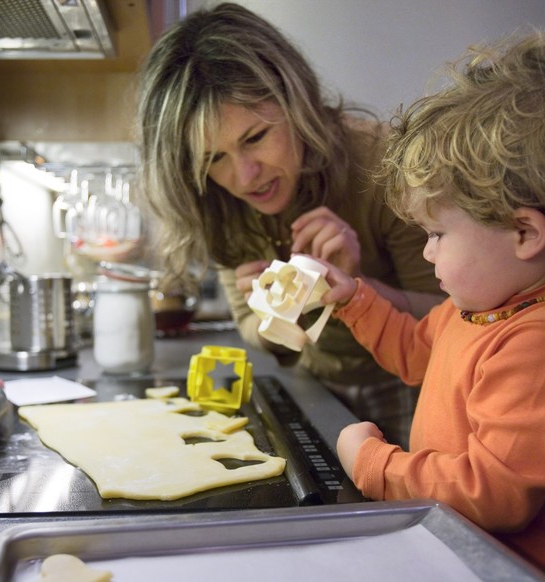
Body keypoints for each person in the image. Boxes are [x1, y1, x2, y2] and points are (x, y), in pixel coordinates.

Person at [318, 30, 545, 579]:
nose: (427, 251)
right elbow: (418, 354)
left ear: (523, 232)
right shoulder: (491, 303)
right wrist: (354, 299)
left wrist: (375, 466)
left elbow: (493, 495)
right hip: (473, 548)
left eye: (437, 234)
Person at [135, 3, 443, 447]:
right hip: (315, 382)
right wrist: (273, 316)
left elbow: (457, 323)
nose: (244, 177)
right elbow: (252, 327)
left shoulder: (383, 167)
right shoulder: (214, 198)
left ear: (295, 101)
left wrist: (356, 290)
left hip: (417, 383)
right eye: (213, 158)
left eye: (255, 138)